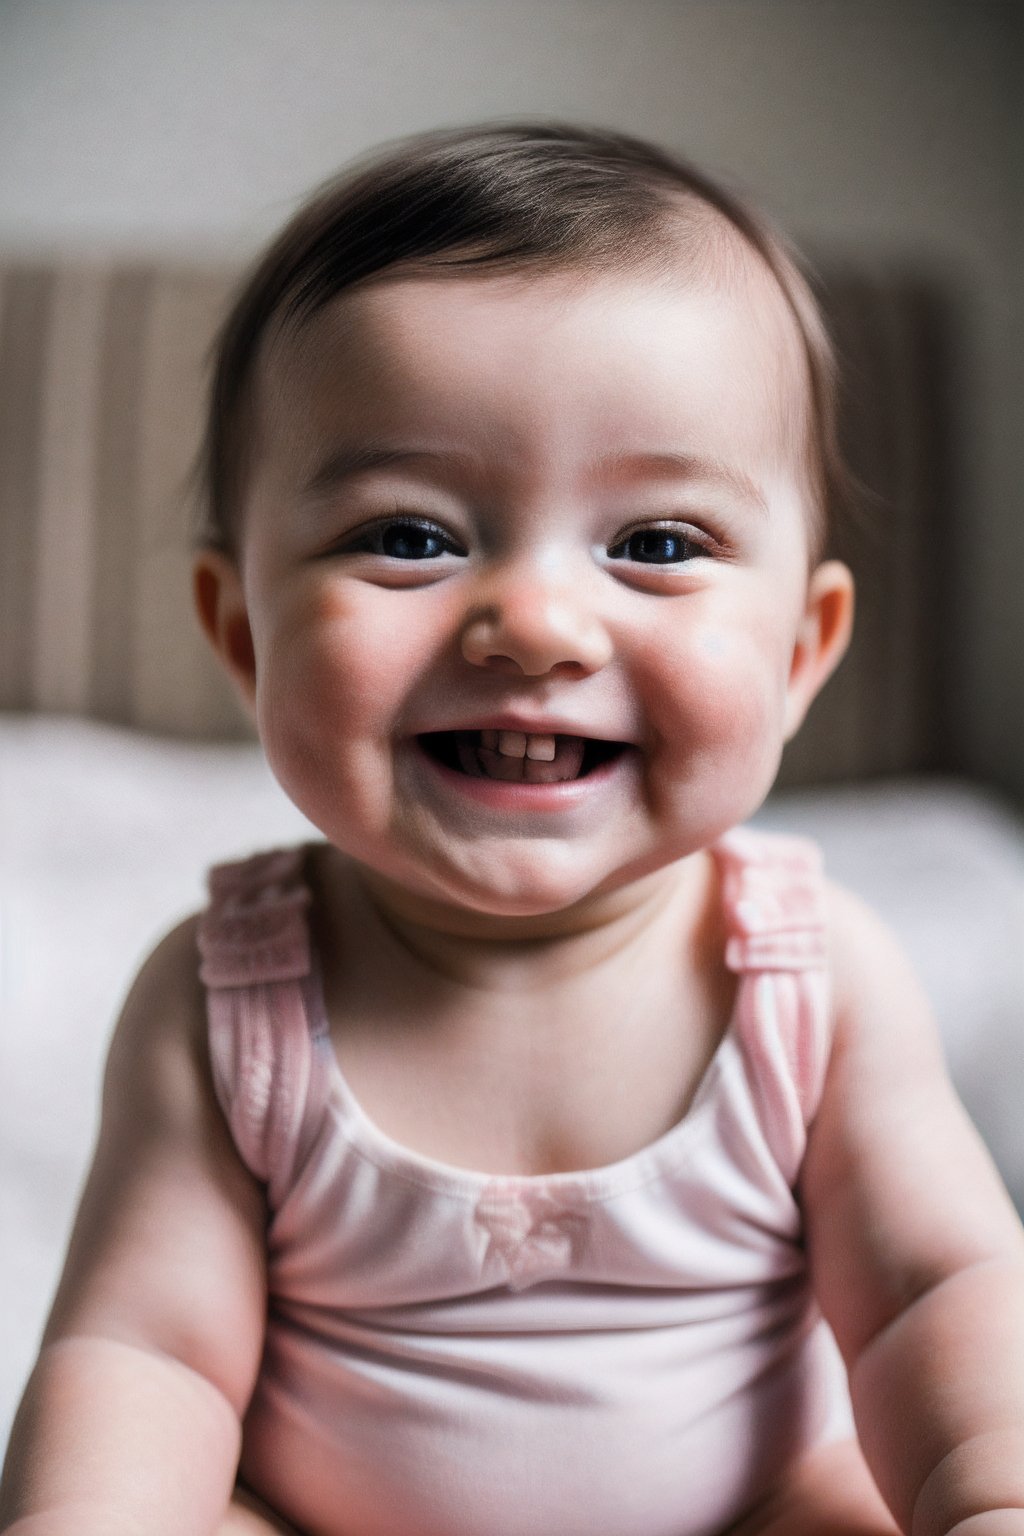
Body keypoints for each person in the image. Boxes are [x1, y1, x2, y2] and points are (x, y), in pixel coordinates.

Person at [2, 122, 1023, 1536]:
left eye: (656, 544)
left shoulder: (815, 983)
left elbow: (935, 1296)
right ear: (243, 637)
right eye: (411, 535)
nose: (536, 624)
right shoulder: (220, 1003)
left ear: (802, 649)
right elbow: (147, 1358)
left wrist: (987, 1495)